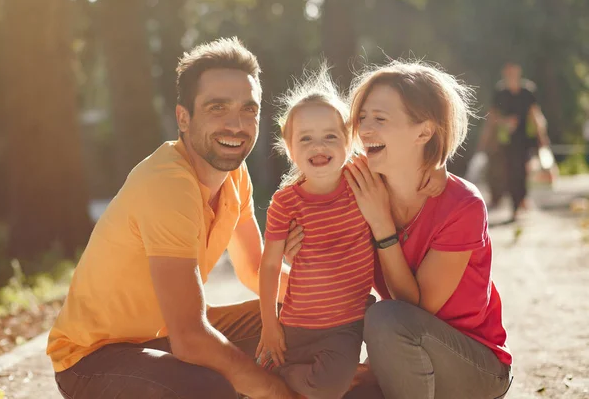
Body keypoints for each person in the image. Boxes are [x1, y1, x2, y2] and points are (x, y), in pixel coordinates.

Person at [46, 37, 302, 399]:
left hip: (161, 340)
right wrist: (275, 391)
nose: (237, 124)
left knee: (307, 318)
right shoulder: (168, 183)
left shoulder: (235, 175)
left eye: (249, 109)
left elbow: (256, 270)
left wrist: (334, 299)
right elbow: (191, 339)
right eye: (218, 108)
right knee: (209, 387)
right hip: (92, 361)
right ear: (183, 117)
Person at [256, 66, 447, 399]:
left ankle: (287, 380)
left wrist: (439, 168)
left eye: (330, 136)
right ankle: (280, 380)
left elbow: (408, 165)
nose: (319, 146)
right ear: (289, 148)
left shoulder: (362, 178)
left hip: (345, 325)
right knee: (262, 379)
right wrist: (270, 325)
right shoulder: (285, 202)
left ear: (349, 142)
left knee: (327, 387)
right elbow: (270, 265)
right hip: (294, 322)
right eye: (306, 138)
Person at [340, 60, 513, 398]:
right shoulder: (360, 186)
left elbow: (414, 309)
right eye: (362, 118)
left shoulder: (463, 205)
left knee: (386, 316)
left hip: (476, 364)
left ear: (423, 131)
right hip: (399, 352)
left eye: (380, 118)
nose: (365, 129)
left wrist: (381, 224)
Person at [478, 61, 550, 219]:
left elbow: (535, 115)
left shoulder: (527, 91)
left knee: (522, 170)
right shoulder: (500, 93)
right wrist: (502, 125)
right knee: (509, 171)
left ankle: (522, 199)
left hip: (524, 140)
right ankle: (515, 205)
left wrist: (542, 137)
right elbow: (492, 118)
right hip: (505, 141)